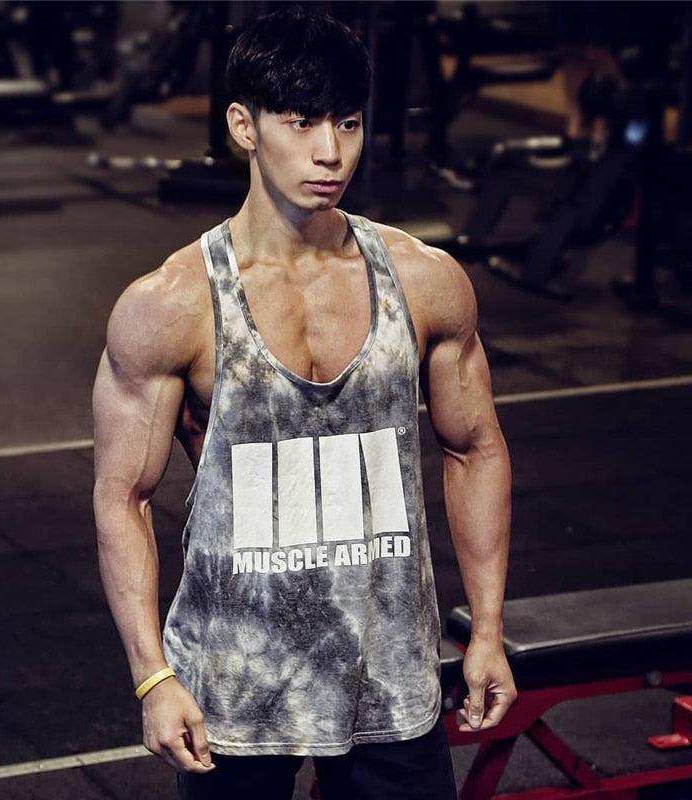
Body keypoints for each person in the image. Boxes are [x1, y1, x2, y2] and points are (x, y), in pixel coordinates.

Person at [92, 7, 516, 799]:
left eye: (348, 124)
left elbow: (475, 448)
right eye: (302, 123)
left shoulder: (423, 281)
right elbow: (124, 496)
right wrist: (153, 679)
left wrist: (486, 631)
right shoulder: (174, 304)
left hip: (388, 677)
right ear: (244, 127)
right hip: (235, 682)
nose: (330, 152)